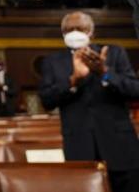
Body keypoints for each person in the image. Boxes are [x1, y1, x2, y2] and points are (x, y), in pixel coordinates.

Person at [39, 11, 139, 192]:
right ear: (63, 34)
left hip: (120, 146)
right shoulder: (52, 61)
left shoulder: (114, 53)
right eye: (69, 29)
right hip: (79, 145)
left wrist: (105, 73)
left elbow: (134, 90)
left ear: (92, 32)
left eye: (80, 28)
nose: (74, 32)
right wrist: (73, 80)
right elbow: (47, 100)